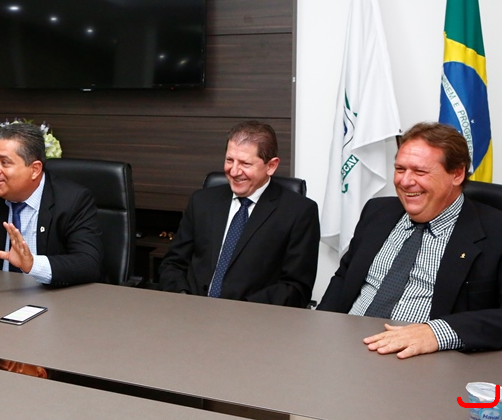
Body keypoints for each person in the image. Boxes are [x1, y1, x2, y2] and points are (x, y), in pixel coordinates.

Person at [318, 122, 502, 358]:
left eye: (420, 172)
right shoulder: (377, 212)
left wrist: (436, 333)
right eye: (400, 169)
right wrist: (320, 328)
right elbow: (344, 278)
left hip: (422, 360)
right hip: (344, 347)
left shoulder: (495, 231)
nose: (405, 181)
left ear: (456, 174)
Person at [159, 121, 320, 307]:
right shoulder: (202, 201)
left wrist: (239, 311)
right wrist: (183, 297)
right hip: (191, 311)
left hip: (252, 317)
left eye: (245, 163)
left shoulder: (299, 212)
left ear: (271, 166)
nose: (234, 171)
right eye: (229, 160)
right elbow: (173, 264)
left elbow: (296, 287)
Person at [0, 122, 103, 287]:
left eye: (4, 162)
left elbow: (89, 263)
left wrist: (32, 264)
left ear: (35, 169)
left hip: (53, 296)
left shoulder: (72, 200)